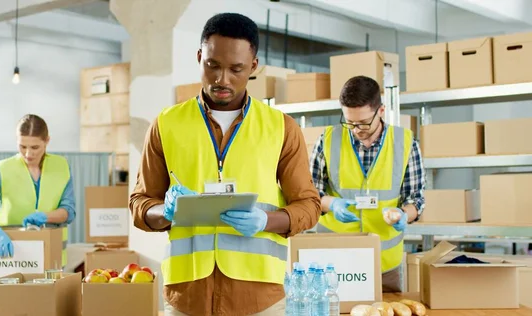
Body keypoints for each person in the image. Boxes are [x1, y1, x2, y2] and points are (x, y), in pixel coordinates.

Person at [129, 13, 320, 316]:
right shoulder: (166, 124)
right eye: (212, 65)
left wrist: (266, 221)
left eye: (236, 69)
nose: (222, 79)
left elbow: (309, 206)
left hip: (260, 300)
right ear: (199, 57)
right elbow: (140, 205)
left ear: (254, 66)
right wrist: (163, 211)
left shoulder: (281, 127)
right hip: (187, 298)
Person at [310, 76, 426, 292]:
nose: (355, 129)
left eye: (363, 122)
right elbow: (310, 194)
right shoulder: (327, 139)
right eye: (349, 122)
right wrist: (331, 204)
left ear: (381, 111)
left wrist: (404, 215)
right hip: (335, 263)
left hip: (385, 265)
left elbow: (416, 199)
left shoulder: (405, 143)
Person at [0, 114, 75, 266]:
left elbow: (69, 211)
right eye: (22, 146)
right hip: (11, 258)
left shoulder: (61, 166)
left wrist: (46, 216)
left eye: (35, 147)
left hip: (53, 260)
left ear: (47, 141)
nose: (28, 154)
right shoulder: (3, 169)